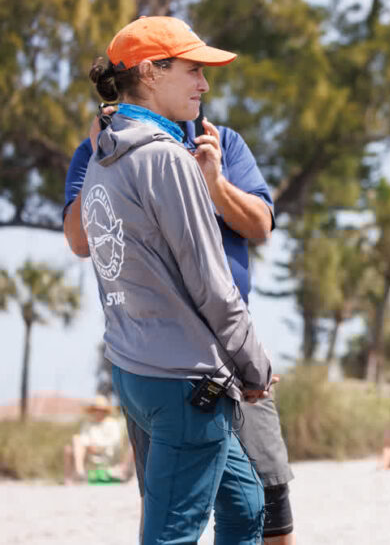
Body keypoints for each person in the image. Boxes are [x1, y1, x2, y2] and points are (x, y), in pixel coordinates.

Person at [64, 30, 296, 542]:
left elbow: (258, 224)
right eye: (192, 69)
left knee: (248, 504)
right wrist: (255, 365)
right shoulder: (164, 157)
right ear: (149, 71)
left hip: (137, 370)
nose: (204, 84)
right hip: (188, 379)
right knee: (172, 533)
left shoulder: (106, 153)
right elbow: (212, 283)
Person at [63, 395, 131, 485]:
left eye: (101, 410)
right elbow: (83, 439)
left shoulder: (112, 423)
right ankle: (76, 474)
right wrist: (90, 446)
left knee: (77, 441)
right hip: (89, 452)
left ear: (105, 411)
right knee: (71, 445)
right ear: (93, 411)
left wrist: (98, 447)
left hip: (108, 453)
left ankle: (79, 473)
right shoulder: (88, 424)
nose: (98, 412)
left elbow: (115, 441)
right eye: (96, 410)